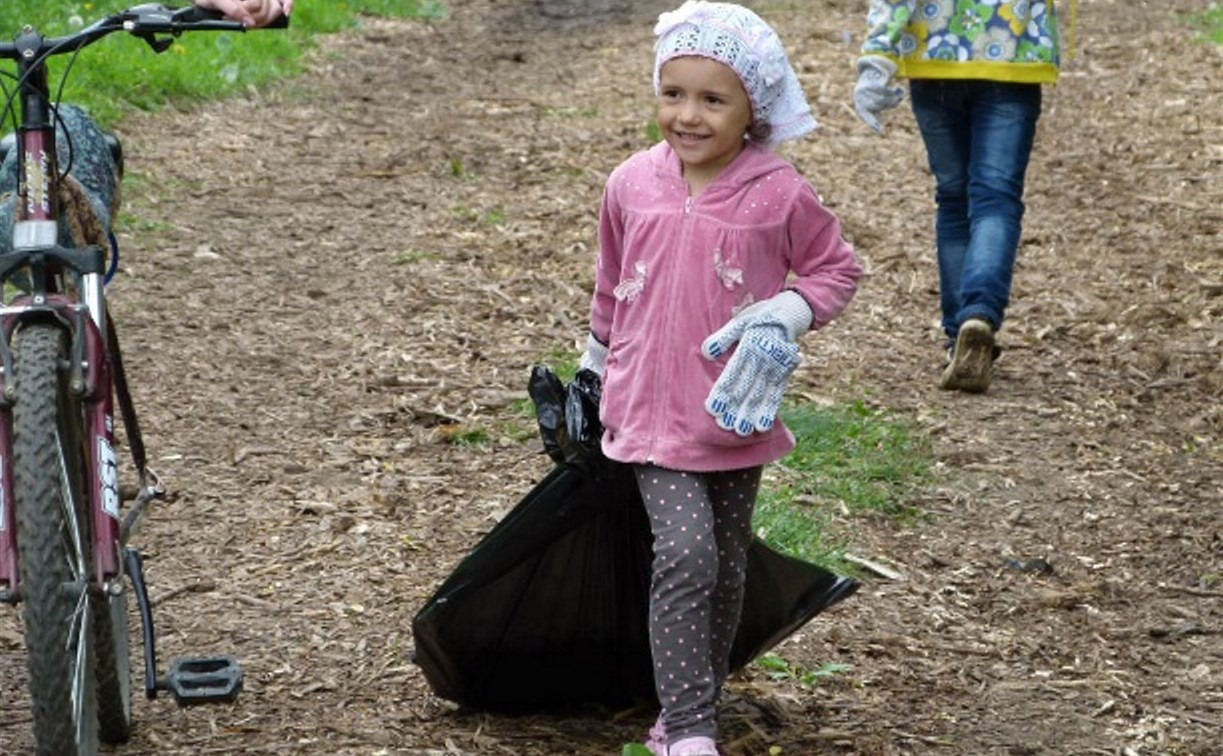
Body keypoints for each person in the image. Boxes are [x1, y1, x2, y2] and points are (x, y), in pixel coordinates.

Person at [576, 3, 863, 754]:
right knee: (687, 554)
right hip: (644, 408)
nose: (687, 115)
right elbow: (610, 285)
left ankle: (683, 710)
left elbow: (835, 268)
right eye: (672, 93)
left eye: (712, 99)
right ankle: (692, 728)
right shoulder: (630, 183)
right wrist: (592, 365)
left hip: (733, 412)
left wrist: (787, 313)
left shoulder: (778, 192)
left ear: (753, 108)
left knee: (728, 569)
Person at [853, 0, 1064, 393]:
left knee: (954, 200)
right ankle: (979, 315)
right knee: (996, 197)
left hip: (937, 55)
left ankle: (959, 338)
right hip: (1014, 56)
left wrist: (877, 54)